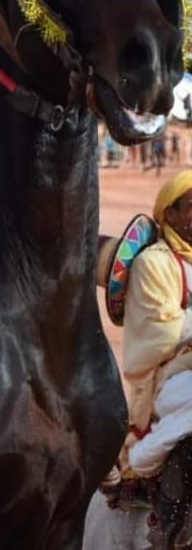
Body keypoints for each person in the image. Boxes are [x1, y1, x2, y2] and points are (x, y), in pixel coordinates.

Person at [105, 172, 192, 538]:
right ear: (169, 214)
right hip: (166, 378)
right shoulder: (153, 264)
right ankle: (171, 528)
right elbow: (159, 335)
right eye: (191, 207)